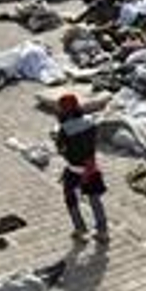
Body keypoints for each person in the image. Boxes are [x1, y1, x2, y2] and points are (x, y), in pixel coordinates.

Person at [54, 93, 108, 242]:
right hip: (91, 168)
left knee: (71, 199)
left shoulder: (64, 129)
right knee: (95, 200)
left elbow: (61, 149)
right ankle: (102, 231)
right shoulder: (91, 122)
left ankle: (80, 229)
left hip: (74, 170)